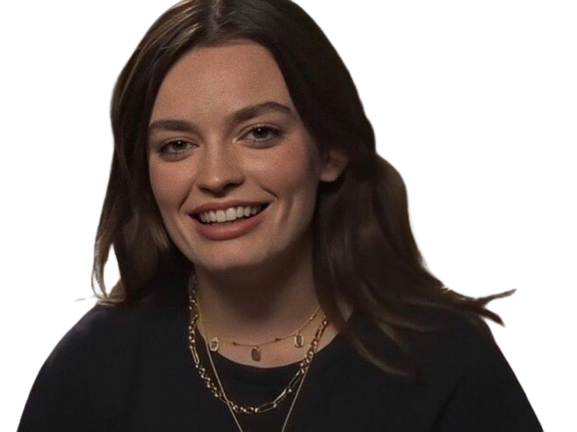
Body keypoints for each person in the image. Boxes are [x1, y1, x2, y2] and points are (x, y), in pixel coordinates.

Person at [18, 1, 543, 431]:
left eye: (259, 133)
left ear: (331, 150)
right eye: (177, 144)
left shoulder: (449, 358)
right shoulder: (88, 369)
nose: (216, 176)